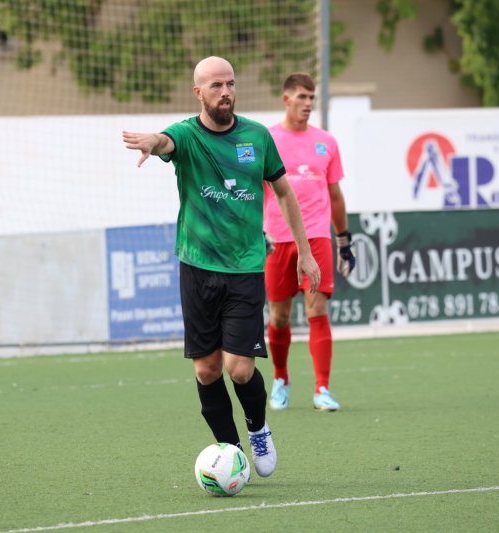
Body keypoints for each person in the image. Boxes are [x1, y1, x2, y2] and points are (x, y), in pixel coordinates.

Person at [122, 56, 320, 478]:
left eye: (230, 84)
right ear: (199, 93)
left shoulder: (257, 136)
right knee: (207, 369)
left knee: (239, 366)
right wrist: (150, 142)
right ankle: (231, 453)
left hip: (246, 266)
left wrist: (304, 251)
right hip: (196, 268)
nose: (226, 92)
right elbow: (164, 142)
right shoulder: (187, 135)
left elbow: (284, 193)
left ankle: (259, 428)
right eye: (216, 86)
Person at [263, 72, 355, 412]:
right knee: (279, 315)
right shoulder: (267, 138)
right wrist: (257, 229)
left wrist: (344, 240)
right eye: (301, 97)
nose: (308, 103)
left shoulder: (327, 142)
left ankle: (322, 389)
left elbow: (336, 195)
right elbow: (257, 190)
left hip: (316, 236)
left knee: (317, 308)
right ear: (286, 99)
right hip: (277, 238)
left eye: (311, 98)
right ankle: (281, 378)